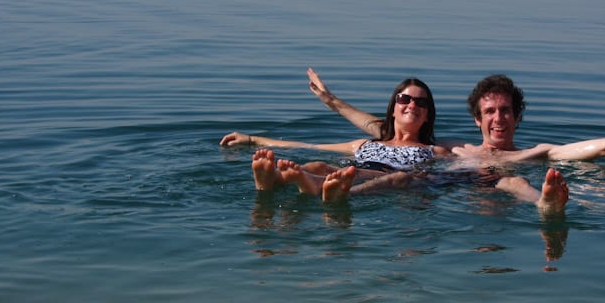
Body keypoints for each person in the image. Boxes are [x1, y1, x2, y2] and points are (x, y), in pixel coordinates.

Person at [220, 76, 569, 212]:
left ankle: (319, 190)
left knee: (398, 179)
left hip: (391, 179)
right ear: (394, 106)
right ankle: (276, 182)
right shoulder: (365, 142)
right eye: (405, 99)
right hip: (353, 171)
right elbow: (309, 146)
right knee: (315, 166)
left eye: (420, 103)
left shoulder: (437, 150)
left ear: (428, 115)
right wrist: (252, 139)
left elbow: (480, 163)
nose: (411, 105)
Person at [306, 68, 605, 166]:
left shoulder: (537, 153)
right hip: (449, 193)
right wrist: (333, 102)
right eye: (489, 112)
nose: (498, 118)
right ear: (477, 119)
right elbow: (381, 132)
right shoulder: (454, 149)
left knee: (508, 183)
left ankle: (546, 208)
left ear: (517, 117)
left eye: (505, 111)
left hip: (500, 189)